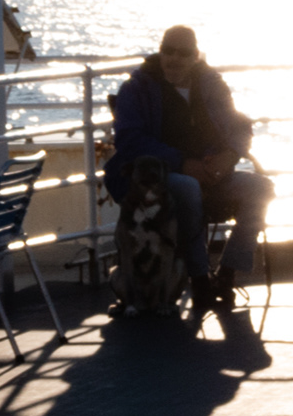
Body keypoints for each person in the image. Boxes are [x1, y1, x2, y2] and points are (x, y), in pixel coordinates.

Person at [107, 24, 271, 316]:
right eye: (168, 51)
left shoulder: (210, 84)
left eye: (183, 53)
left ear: (195, 56)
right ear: (160, 52)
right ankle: (200, 280)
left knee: (261, 188)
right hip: (160, 176)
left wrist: (230, 156)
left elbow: (239, 125)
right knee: (188, 187)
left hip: (211, 170)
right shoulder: (137, 88)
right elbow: (129, 139)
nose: (174, 59)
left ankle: (227, 275)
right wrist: (182, 163)